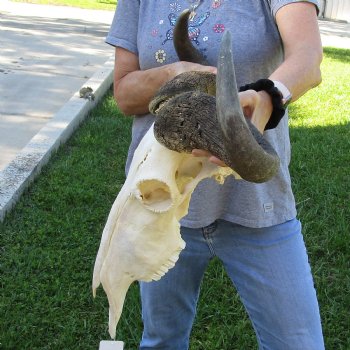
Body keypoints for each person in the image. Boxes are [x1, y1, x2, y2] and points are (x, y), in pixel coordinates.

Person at [106, 0, 325, 349]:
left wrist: (270, 95)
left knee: (297, 343)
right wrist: (173, 74)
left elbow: (308, 57)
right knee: (162, 341)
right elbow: (124, 94)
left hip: (257, 203)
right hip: (163, 202)